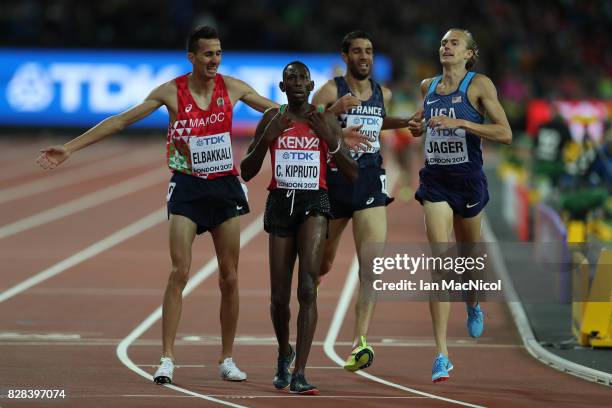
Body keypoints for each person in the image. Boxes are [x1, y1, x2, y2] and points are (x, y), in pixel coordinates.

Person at [36, 26, 279, 385]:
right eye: (208, 54)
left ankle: (227, 358)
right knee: (179, 272)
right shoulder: (171, 92)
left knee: (229, 278)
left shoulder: (234, 87)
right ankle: (167, 358)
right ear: (192, 57)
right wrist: (70, 147)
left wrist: (330, 119)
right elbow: (121, 121)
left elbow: (283, 111)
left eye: (218, 53)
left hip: (225, 188)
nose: (215, 60)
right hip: (187, 189)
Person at [241, 61, 359, 395]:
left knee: (307, 288)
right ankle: (284, 353)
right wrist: (267, 138)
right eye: (290, 78)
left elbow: (351, 172)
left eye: (301, 78)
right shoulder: (272, 119)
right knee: (279, 298)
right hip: (280, 204)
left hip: (314, 204)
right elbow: (246, 172)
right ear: (281, 87)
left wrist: (328, 139)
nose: (296, 83)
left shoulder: (324, 119)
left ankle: (301, 372)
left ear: (310, 86)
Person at [312, 30, 422, 372]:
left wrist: (405, 122)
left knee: (370, 266)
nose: (364, 57)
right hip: (335, 183)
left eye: (369, 51)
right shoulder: (332, 89)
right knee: (321, 265)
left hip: (371, 181)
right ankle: (302, 314)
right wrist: (333, 111)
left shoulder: (382, 92)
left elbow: (377, 122)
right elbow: (306, 121)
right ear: (346, 56)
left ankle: (360, 342)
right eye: (358, 51)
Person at [408, 28, 512, 382]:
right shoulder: (428, 86)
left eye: (454, 43)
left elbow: (505, 132)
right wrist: (417, 127)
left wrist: (461, 122)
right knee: (440, 260)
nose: (445, 47)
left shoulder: (479, 85)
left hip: (468, 181)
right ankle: (441, 354)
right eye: (442, 42)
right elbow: (421, 121)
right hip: (435, 182)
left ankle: (472, 302)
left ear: (469, 53)